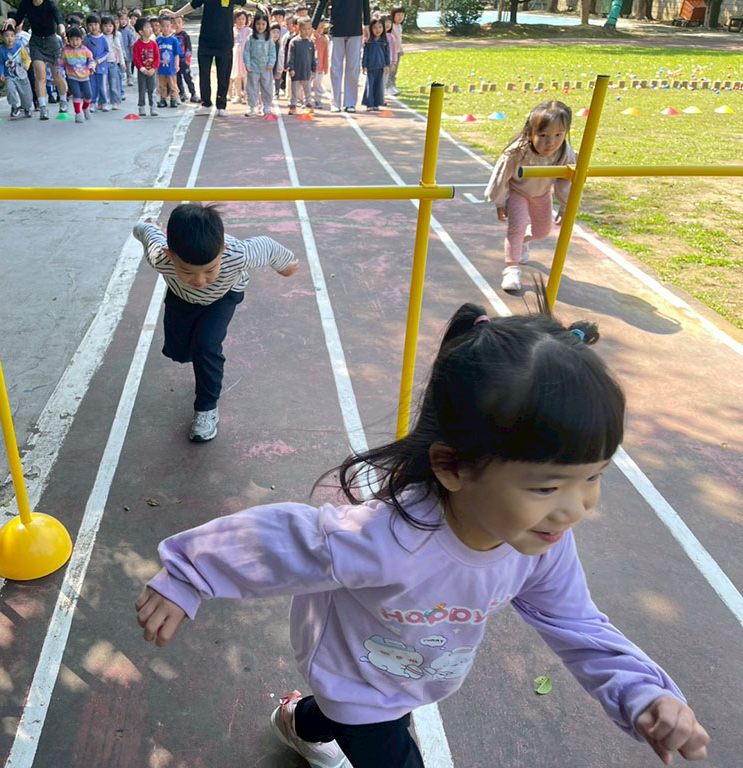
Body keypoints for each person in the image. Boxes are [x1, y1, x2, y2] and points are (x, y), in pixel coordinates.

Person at [135, 301, 712, 768]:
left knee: (343, 718)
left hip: (409, 675)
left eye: (593, 478)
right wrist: (189, 573)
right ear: (453, 467)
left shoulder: (540, 543)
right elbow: (284, 535)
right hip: (357, 682)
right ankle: (314, 717)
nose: (576, 508)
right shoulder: (386, 535)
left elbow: (576, 621)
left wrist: (642, 691)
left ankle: (299, 720)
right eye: (546, 487)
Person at [132, 204, 298, 442]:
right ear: (170, 256)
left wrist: (286, 266)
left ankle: (206, 409)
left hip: (224, 296)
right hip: (182, 298)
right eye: (187, 272)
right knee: (179, 352)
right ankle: (199, 359)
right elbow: (145, 232)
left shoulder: (238, 254)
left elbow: (268, 246)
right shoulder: (159, 256)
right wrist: (147, 226)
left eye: (210, 270)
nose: (200, 280)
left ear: (224, 251)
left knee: (206, 346)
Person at [485, 100, 577, 293]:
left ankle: (523, 241)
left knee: (542, 232)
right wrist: (500, 202)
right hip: (518, 192)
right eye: (543, 135)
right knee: (516, 228)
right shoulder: (516, 152)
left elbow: (566, 180)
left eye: (558, 135)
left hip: (542, 193)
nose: (550, 142)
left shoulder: (564, 152)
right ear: (530, 133)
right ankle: (512, 268)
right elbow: (501, 177)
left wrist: (565, 204)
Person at [170, 0, 248, 116]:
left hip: (225, 42)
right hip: (206, 41)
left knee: (223, 75)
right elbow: (193, 5)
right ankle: (206, 104)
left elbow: (244, 2)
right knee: (204, 74)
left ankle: (221, 106)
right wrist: (176, 14)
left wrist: (258, 5)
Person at [11, 0, 68, 119]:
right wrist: (10, 21)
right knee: (40, 75)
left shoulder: (49, 4)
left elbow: (59, 20)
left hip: (52, 42)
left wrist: (63, 32)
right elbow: (17, 18)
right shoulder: (26, 3)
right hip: (36, 43)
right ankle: (43, 107)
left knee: (57, 76)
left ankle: (63, 100)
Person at [312, 0, 370, 112]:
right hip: (337, 30)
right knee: (335, 67)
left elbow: (365, 3)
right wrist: (313, 25)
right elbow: (321, 3)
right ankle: (335, 103)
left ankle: (350, 103)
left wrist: (367, 24)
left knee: (353, 67)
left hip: (355, 29)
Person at [60, 26, 96, 123]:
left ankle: (85, 108)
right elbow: (61, 62)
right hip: (73, 77)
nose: (75, 42)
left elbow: (91, 60)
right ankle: (78, 113)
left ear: (81, 39)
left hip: (85, 77)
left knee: (88, 95)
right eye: (72, 40)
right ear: (68, 40)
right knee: (77, 94)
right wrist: (59, 71)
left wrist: (92, 67)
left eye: (77, 39)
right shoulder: (66, 51)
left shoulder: (85, 50)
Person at [243, 14, 276, 117]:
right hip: (253, 67)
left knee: (267, 88)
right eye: (258, 24)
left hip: (266, 68)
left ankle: (266, 106)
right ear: (254, 24)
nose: (260, 26)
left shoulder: (269, 38)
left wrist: (271, 63)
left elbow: (272, 52)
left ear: (267, 25)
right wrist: (247, 63)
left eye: (263, 24)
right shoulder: (251, 38)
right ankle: (252, 106)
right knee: (252, 88)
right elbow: (246, 52)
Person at [0, 25, 34, 118]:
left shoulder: (20, 46)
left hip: (21, 74)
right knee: (10, 90)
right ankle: (14, 106)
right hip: (9, 75)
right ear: (2, 37)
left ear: (15, 36)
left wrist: (27, 64)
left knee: (26, 93)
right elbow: (0, 62)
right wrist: (2, 73)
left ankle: (27, 108)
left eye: (12, 35)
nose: (9, 38)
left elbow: (27, 58)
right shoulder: (1, 50)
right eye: (6, 36)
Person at [287, 18, 317, 114]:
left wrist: (313, 69)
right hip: (296, 71)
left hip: (306, 71)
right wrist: (291, 68)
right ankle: (293, 106)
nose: (306, 31)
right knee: (295, 92)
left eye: (309, 29)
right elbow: (291, 56)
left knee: (307, 91)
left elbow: (312, 57)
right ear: (298, 28)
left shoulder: (310, 43)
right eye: (304, 29)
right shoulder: (294, 42)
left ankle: (308, 105)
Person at [132, 16, 160, 117]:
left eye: (150, 27)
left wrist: (154, 68)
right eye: (147, 27)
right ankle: (141, 107)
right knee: (142, 89)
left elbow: (157, 57)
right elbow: (136, 58)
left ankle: (153, 107)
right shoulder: (137, 45)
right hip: (142, 71)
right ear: (141, 32)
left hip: (152, 71)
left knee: (152, 90)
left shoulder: (153, 44)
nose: (150, 29)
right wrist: (142, 69)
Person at [360, 16, 389, 110]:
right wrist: (364, 65)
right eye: (375, 28)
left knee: (378, 86)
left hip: (380, 67)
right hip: (371, 67)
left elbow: (387, 54)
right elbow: (365, 54)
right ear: (371, 29)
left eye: (380, 27)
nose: (378, 30)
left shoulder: (384, 41)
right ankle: (370, 104)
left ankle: (377, 103)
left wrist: (387, 65)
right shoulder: (368, 41)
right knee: (370, 85)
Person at [83, 14, 110, 112]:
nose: (93, 27)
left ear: (99, 25)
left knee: (103, 86)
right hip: (90, 67)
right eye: (90, 25)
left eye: (95, 24)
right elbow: (83, 51)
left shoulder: (103, 38)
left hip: (102, 66)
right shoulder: (86, 39)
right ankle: (92, 102)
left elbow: (107, 51)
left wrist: (99, 60)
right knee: (92, 86)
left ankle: (104, 102)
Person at [155, 15, 183, 108]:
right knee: (162, 84)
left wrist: (177, 65)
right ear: (160, 27)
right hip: (161, 66)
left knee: (172, 84)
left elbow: (176, 54)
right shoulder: (158, 40)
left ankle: (174, 98)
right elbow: (156, 54)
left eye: (167, 26)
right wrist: (155, 65)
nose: (165, 28)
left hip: (171, 67)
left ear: (171, 26)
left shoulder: (174, 40)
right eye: (163, 26)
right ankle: (163, 99)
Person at [173, 16, 199, 104]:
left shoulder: (185, 35)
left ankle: (193, 94)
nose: (177, 25)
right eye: (174, 23)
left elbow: (189, 48)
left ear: (183, 24)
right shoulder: (172, 37)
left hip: (184, 60)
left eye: (179, 22)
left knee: (187, 77)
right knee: (178, 78)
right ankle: (182, 93)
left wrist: (188, 59)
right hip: (176, 61)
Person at [102, 16, 126, 110]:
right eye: (105, 26)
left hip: (113, 63)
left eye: (110, 26)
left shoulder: (116, 37)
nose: (108, 28)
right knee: (103, 84)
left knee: (114, 84)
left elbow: (119, 51)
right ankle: (104, 101)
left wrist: (122, 63)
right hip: (102, 63)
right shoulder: (101, 37)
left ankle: (115, 102)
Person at [230, 9, 251, 105]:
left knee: (246, 76)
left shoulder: (249, 31)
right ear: (234, 19)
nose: (241, 21)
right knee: (237, 76)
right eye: (239, 19)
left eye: (243, 19)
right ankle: (238, 95)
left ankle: (247, 95)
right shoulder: (232, 30)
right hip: (236, 55)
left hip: (246, 55)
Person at [311, 19, 330, 108]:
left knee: (318, 84)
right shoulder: (309, 39)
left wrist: (326, 67)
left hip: (319, 68)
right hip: (309, 68)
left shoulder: (324, 40)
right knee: (306, 85)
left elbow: (325, 55)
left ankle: (318, 100)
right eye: (318, 27)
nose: (319, 30)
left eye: (322, 28)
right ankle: (306, 100)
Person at [386, 7, 405, 95]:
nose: (400, 17)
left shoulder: (399, 26)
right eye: (398, 15)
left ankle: (393, 85)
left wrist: (401, 49)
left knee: (395, 70)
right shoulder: (392, 26)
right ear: (393, 15)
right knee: (390, 70)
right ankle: (388, 86)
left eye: (402, 15)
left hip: (397, 51)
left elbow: (399, 39)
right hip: (391, 52)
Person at [119, 11, 137, 87]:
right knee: (120, 66)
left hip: (127, 51)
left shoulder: (128, 31)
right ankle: (120, 78)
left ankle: (130, 78)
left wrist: (132, 44)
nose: (123, 21)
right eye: (121, 19)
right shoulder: (116, 31)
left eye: (125, 20)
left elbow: (132, 40)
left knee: (128, 66)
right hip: (119, 52)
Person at [270, 24, 285, 100]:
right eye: (273, 32)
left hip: (277, 64)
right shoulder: (267, 44)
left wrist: (280, 70)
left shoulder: (279, 45)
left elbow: (281, 57)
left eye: (278, 32)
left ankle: (276, 92)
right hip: (269, 65)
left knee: (277, 78)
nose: (276, 34)